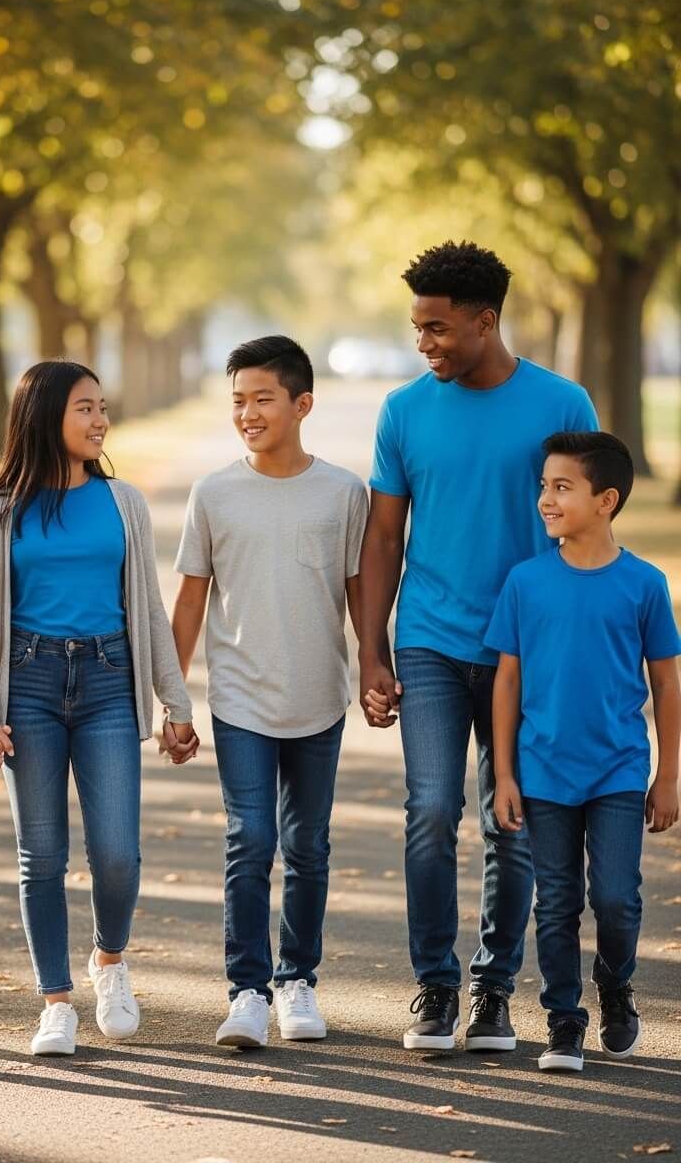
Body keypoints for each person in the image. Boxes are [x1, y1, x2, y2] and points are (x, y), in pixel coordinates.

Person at [359, 240, 599, 1052]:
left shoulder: (563, 404)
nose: (423, 343)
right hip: (428, 639)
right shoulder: (404, 411)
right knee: (430, 812)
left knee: (513, 823)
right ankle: (435, 984)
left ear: (485, 321)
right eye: (417, 328)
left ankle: (493, 992)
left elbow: (590, 535)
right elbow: (384, 538)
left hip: (524, 651)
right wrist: (370, 651)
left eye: (436, 328)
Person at [0, 359, 198, 1058]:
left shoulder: (123, 501)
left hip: (106, 681)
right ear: (45, 417)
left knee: (117, 854)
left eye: (102, 407)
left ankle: (110, 962)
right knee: (42, 856)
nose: (100, 420)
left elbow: (150, 608)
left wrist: (175, 701)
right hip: (28, 683)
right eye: (85, 409)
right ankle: (56, 1002)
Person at [172, 335, 368, 1048]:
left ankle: (297, 981)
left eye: (262, 399)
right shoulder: (215, 493)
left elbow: (360, 589)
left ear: (301, 404)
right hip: (240, 701)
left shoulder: (344, 493)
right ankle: (248, 989)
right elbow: (191, 602)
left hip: (319, 698)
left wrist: (373, 665)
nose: (248, 413)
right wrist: (173, 698)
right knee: (250, 841)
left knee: (307, 845)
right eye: (238, 401)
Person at [488, 431, 680, 1072]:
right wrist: (506, 774)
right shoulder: (525, 581)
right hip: (542, 772)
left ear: (607, 500)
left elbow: (667, 682)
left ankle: (615, 984)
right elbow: (508, 680)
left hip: (619, 769)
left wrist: (669, 775)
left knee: (618, 899)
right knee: (558, 902)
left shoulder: (644, 584)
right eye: (543, 485)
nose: (545, 498)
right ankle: (564, 1020)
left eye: (561, 487)